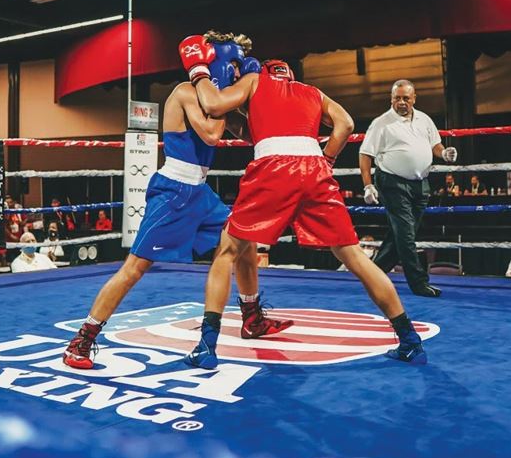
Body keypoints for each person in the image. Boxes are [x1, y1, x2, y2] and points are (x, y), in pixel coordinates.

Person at [185, 52, 429, 369]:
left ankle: (206, 345)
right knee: (354, 257)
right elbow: (346, 123)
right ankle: (409, 340)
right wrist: (326, 159)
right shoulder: (312, 92)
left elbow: (214, 104)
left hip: (273, 167)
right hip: (314, 168)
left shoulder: (254, 81)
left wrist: (198, 70)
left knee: (228, 251)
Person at [62, 31, 262, 370]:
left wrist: (247, 98)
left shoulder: (216, 98)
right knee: (135, 268)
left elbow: (251, 134)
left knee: (245, 242)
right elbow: (212, 133)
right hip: (173, 193)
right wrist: (223, 92)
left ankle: (252, 316)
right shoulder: (185, 92)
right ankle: (82, 340)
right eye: (233, 65)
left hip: (200, 193)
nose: (236, 71)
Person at [358, 80, 458, 298]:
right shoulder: (381, 123)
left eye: (406, 98)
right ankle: (418, 283)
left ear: (414, 98)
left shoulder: (425, 119)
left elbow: (435, 144)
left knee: (401, 234)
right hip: (392, 183)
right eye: (397, 98)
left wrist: (444, 153)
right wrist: (368, 185)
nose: (401, 102)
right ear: (391, 98)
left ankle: (372, 273)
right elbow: (366, 154)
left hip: (420, 184)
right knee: (405, 236)